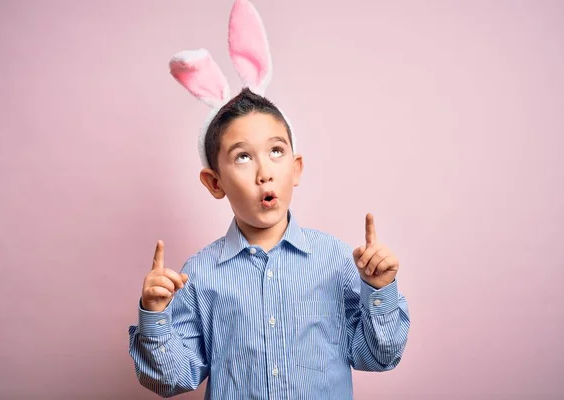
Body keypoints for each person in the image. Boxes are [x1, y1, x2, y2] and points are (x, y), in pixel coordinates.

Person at [128, 1, 410, 398]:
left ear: (296, 168)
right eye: (243, 156)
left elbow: (379, 356)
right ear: (214, 182)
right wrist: (155, 317)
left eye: (276, 151)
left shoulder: (335, 261)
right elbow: (172, 379)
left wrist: (379, 289)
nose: (264, 171)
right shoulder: (200, 275)